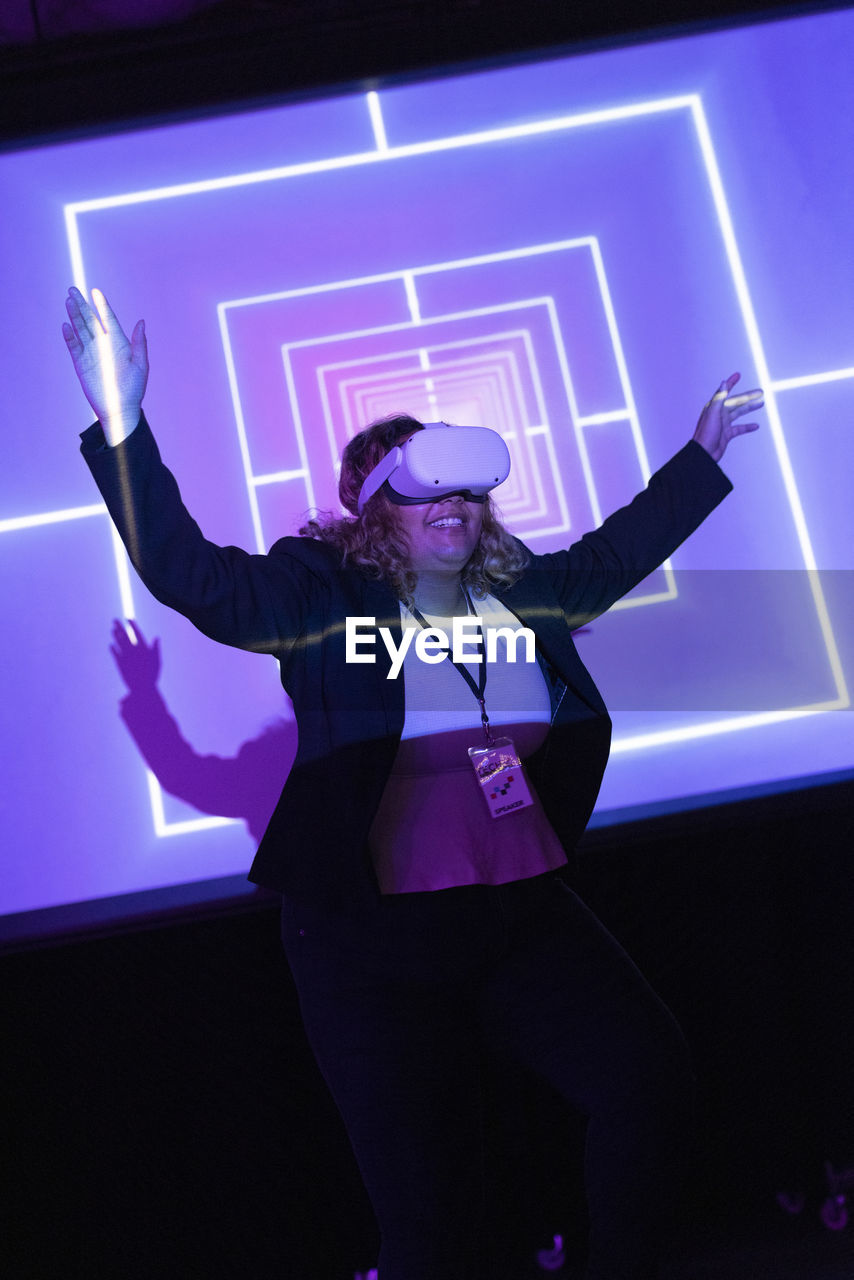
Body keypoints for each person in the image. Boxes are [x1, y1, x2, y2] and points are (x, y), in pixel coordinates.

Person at [63, 285, 763, 1279]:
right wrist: (123, 426)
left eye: (466, 490)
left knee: (643, 1077)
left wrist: (700, 460)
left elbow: (611, 555)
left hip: (514, 913)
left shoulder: (517, 593)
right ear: (372, 512)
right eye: (423, 488)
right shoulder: (320, 595)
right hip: (366, 943)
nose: (453, 508)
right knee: (430, 1221)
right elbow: (197, 578)